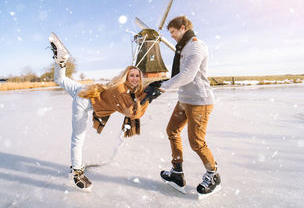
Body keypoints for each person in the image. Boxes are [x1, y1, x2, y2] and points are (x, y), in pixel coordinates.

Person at [48, 32, 150, 191]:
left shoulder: (120, 85)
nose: (135, 78)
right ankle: (77, 173)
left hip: (84, 89)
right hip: (83, 100)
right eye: (132, 75)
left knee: (59, 79)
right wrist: (149, 98)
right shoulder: (121, 91)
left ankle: (61, 59)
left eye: (137, 76)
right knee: (77, 138)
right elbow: (132, 113)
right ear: (127, 76)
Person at [148, 16, 221, 196]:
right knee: (172, 130)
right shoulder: (183, 47)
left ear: (182, 28)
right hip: (185, 99)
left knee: (196, 142)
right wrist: (161, 82)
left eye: (173, 32)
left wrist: (163, 88)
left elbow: (188, 74)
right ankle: (177, 173)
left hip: (199, 101)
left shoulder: (195, 45)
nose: (171, 36)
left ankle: (213, 174)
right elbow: (181, 74)